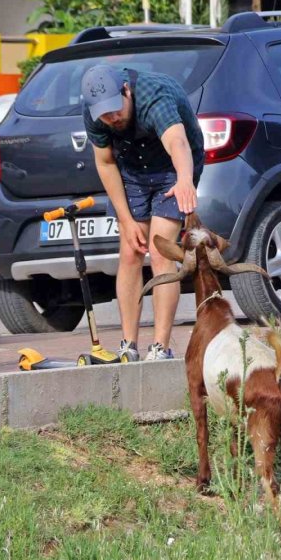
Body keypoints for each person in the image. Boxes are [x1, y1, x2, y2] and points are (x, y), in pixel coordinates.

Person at [81, 64, 204, 361]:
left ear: (126, 90)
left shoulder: (154, 97)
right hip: (132, 170)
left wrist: (185, 180)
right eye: (104, 114)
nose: (112, 118)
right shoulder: (96, 114)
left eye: (115, 109)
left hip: (173, 168)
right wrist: (125, 219)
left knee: (160, 252)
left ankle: (160, 346)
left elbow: (178, 142)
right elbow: (106, 163)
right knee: (130, 251)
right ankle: (128, 346)